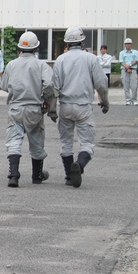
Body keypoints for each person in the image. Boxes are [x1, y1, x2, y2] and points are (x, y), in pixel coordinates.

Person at [52, 27, 109, 187]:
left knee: (66, 142)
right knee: (87, 143)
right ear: (82, 41)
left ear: (67, 43)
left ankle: (70, 176)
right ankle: (80, 164)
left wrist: (51, 110)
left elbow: (54, 87)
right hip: (83, 106)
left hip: (65, 106)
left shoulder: (60, 60)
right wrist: (105, 102)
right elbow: (101, 84)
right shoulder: (91, 58)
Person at [0, 31, 56, 188]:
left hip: (15, 108)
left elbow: (3, 85)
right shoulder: (41, 65)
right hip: (34, 108)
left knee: (14, 140)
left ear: (20, 49)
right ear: (36, 49)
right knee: (36, 139)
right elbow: (49, 85)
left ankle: (14, 175)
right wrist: (46, 99)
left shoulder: (11, 64)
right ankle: (37, 175)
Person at [119, 38, 138, 105]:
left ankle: (134, 100)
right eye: (127, 44)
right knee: (126, 86)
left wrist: (129, 66)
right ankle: (127, 100)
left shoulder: (135, 52)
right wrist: (127, 68)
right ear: (125, 45)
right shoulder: (122, 53)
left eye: (129, 44)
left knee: (134, 86)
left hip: (133, 70)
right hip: (124, 70)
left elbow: (136, 60)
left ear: (131, 44)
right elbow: (121, 61)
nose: (128, 45)